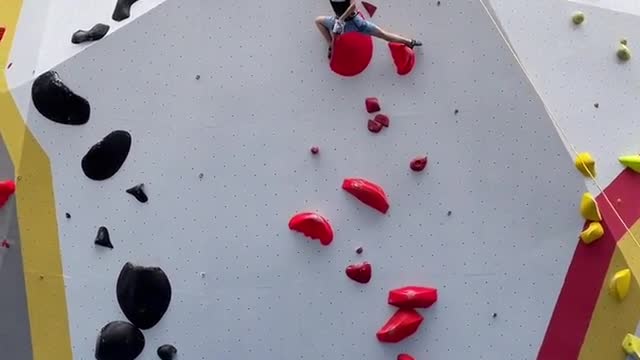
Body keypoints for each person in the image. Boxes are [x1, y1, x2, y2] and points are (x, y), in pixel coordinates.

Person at [315, 0, 422, 58]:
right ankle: (331, 44)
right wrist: (339, 21)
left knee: (382, 34)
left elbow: (353, 7)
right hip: (340, 23)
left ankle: (409, 42)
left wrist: (341, 19)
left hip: (354, 22)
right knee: (318, 21)